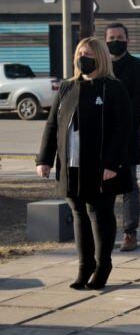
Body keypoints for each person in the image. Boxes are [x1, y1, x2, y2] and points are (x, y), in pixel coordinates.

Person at [36, 37, 132, 290]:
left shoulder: (113, 88)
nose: (82, 57)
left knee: (100, 214)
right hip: (71, 163)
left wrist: (113, 163)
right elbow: (52, 125)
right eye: (79, 52)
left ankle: (103, 265)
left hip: (102, 166)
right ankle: (84, 264)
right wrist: (44, 159)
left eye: (88, 53)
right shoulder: (68, 87)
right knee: (78, 213)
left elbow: (123, 129)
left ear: (99, 56)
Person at [104, 22, 140, 252]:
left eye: (119, 37)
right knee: (104, 185)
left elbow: (138, 102)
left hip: (128, 134)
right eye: (111, 37)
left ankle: (130, 232)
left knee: (129, 185)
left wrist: (119, 122)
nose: (115, 40)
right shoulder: (100, 68)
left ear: (127, 40)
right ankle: (105, 231)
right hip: (102, 137)